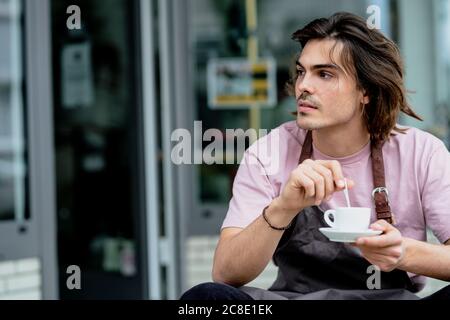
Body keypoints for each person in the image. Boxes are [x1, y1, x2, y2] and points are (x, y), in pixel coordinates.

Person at [181, 12, 450, 300]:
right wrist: (284, 206)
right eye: (301, 72)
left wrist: (403, 253)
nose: (303, 86)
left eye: (324, 74)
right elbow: (225, 273)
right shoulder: (268, 152)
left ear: (366, 90)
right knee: (208, 299)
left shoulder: (421, 152)